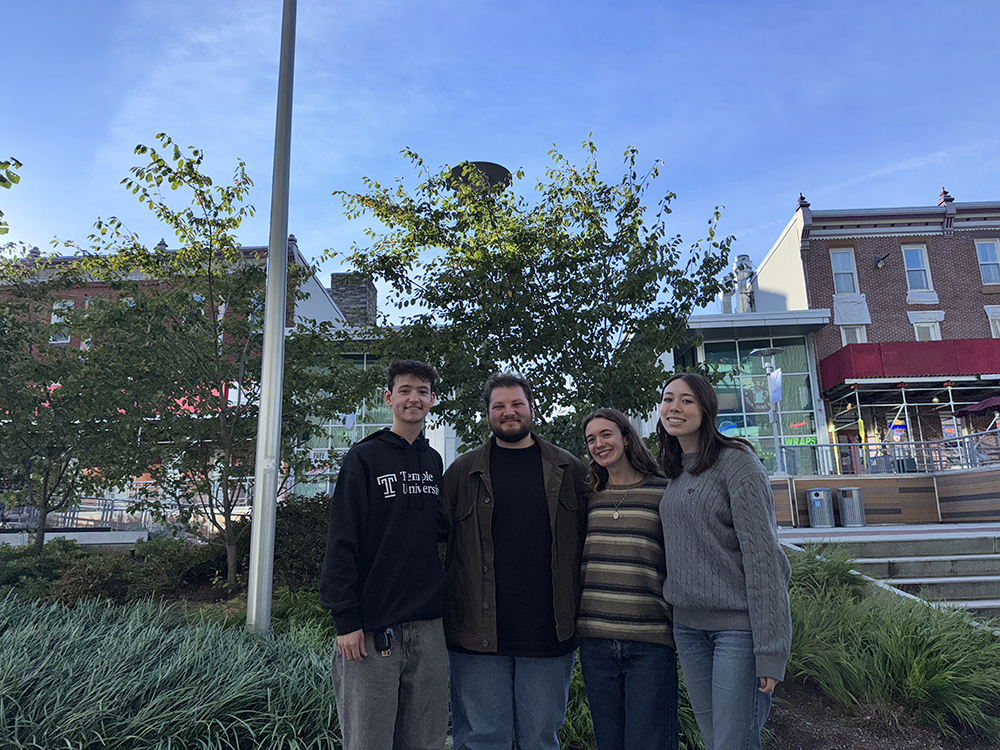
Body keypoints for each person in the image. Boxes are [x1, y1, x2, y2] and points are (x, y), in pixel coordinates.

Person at [441, 372, 590, 750]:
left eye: (516, 404)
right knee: (481, 738)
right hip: (476, 632)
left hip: (548, 631)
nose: (509, 413)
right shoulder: (462, 472)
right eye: (499, 406)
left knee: (540, 739)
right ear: (488, 414)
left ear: (532, 409)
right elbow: (438, 547)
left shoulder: (570, 470)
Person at [656, 372, 792, 750]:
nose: (675, 407)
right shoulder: (675, 470)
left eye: (686, 400)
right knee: (716, 740)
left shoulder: (738, 463)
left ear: (706, 408)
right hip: (688, 628)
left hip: (737, 631)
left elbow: (765, 558)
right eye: (669, 399)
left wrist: (770, 651)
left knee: (734, 743)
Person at [319, 359, 449, 750]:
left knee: (425, 742)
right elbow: (342, 539)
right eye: (406, 391)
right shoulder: (364, 458)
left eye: (422, 392)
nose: (414, 399)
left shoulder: (433, 462)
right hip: (372, 631)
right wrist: (346, 619)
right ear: (390, 398)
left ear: (431, 401)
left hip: (427, 629)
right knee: (368, 742)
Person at [576, 408, 679, 750]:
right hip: (595, 642)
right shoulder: (588, 497)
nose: (599, 444)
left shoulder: (663, 492)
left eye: (606, 434)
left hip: (649, 641)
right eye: (591, 439)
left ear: (625, 436)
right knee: (610, 742)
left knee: (648, 742)